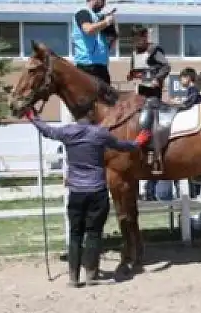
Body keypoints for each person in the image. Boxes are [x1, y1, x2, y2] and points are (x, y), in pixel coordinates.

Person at [21, 109, 145, 287]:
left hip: (76, 191)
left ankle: (73, 277)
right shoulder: (100, 133)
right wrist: (138, 142)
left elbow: (47, 131)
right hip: (96, 191)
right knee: (94, 234)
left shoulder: (67, 132)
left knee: (75, 234)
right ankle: (91, 275)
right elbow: (122, 146)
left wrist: (33, 118)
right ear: (93, 118)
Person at [127, 26, 172, 173]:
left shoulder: (154, 50)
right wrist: (131, 75)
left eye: (140, 38)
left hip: (152, 93)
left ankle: (155, 154)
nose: (137, 42)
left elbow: (166, 67)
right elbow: (136, 70)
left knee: (149, 118)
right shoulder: (134, 53)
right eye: (134, 39)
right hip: (139, 91)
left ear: (145, 37)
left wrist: (157, 78)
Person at [71, 0, 118, 85]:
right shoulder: (83, 12)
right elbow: (88, 29)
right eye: (102, 0)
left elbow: (111, 45)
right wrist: (106, 22)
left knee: (106, 100)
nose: (104, 4)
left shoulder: (99, 17)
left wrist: (112, 32)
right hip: (87, 66)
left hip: (102, 66)